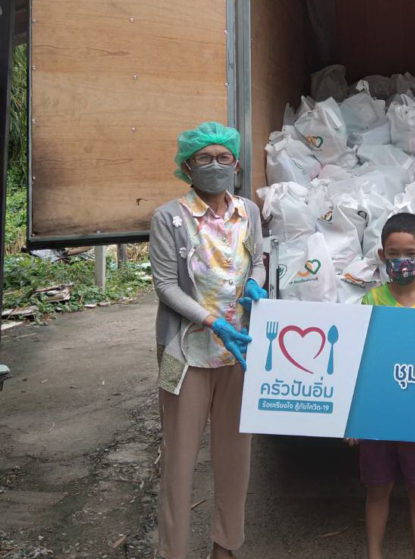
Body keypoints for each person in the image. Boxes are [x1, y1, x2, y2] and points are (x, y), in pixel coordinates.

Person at [149, 121, 267, 559]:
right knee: (179, 462)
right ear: (187, 166)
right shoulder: (169, 217)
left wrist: (256, 283)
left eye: (223, 157)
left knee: (235, 457)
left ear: (236, 164)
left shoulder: (248, 212)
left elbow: (258, 259)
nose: (215, 165)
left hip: (239, 351)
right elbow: (166, 286)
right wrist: (212, 321)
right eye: (204, 158)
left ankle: (226, 546)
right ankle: (173, 551)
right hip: (188, 352)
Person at [346, 212, 415, 559]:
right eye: (393, 254)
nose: (401, 261)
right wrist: (354, 418)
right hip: (378, 416)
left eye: (410, 254)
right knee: (377, 489)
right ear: (381, 256)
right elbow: (359, 362)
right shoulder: (371, 301)